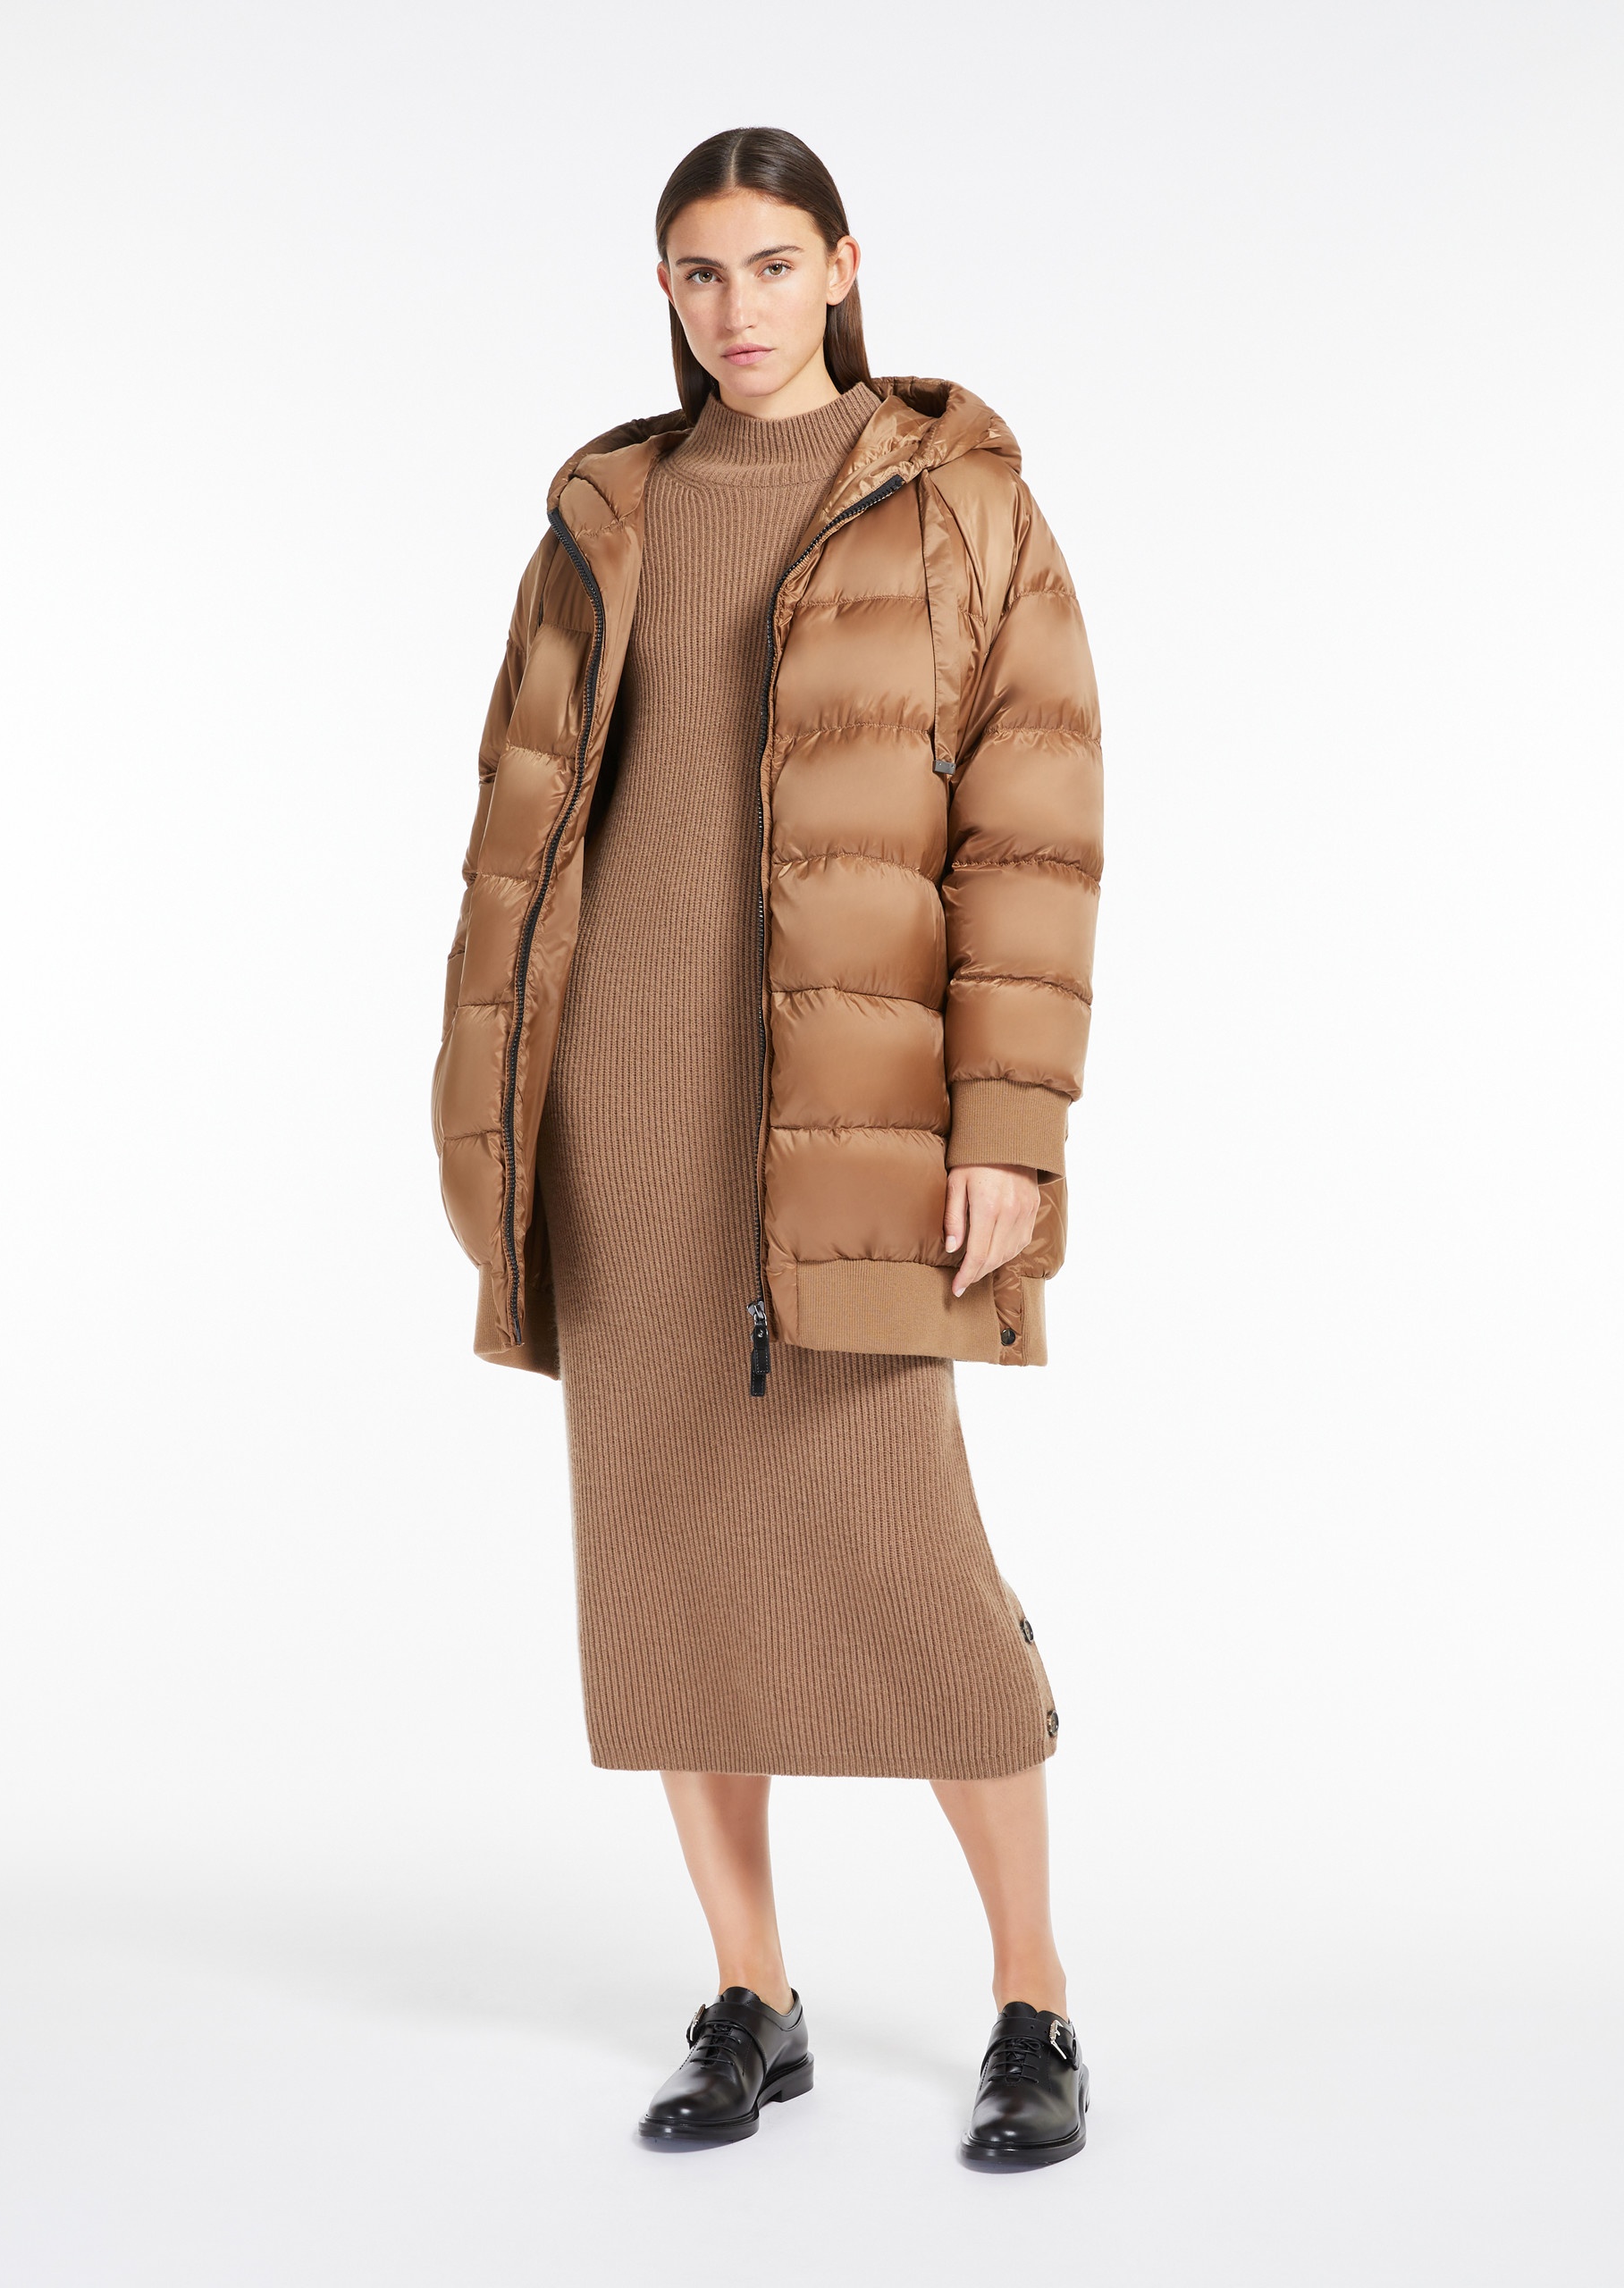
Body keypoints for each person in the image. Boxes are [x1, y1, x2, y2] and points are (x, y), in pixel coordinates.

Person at [432, 125, 1103, 2168]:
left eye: (775, 264)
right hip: (626, 1109)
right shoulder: (605, 512)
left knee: (912, 1572)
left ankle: (1034, 1998)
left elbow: (1034, 830)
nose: (739, 307)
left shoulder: (957, 497)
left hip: (852, 1115)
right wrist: (502, 1108)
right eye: (701, 272)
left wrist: (1006, 1124)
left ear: (845, 266)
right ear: (665, 288)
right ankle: (751, 1990)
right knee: (669, 1572)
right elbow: (518, 833)